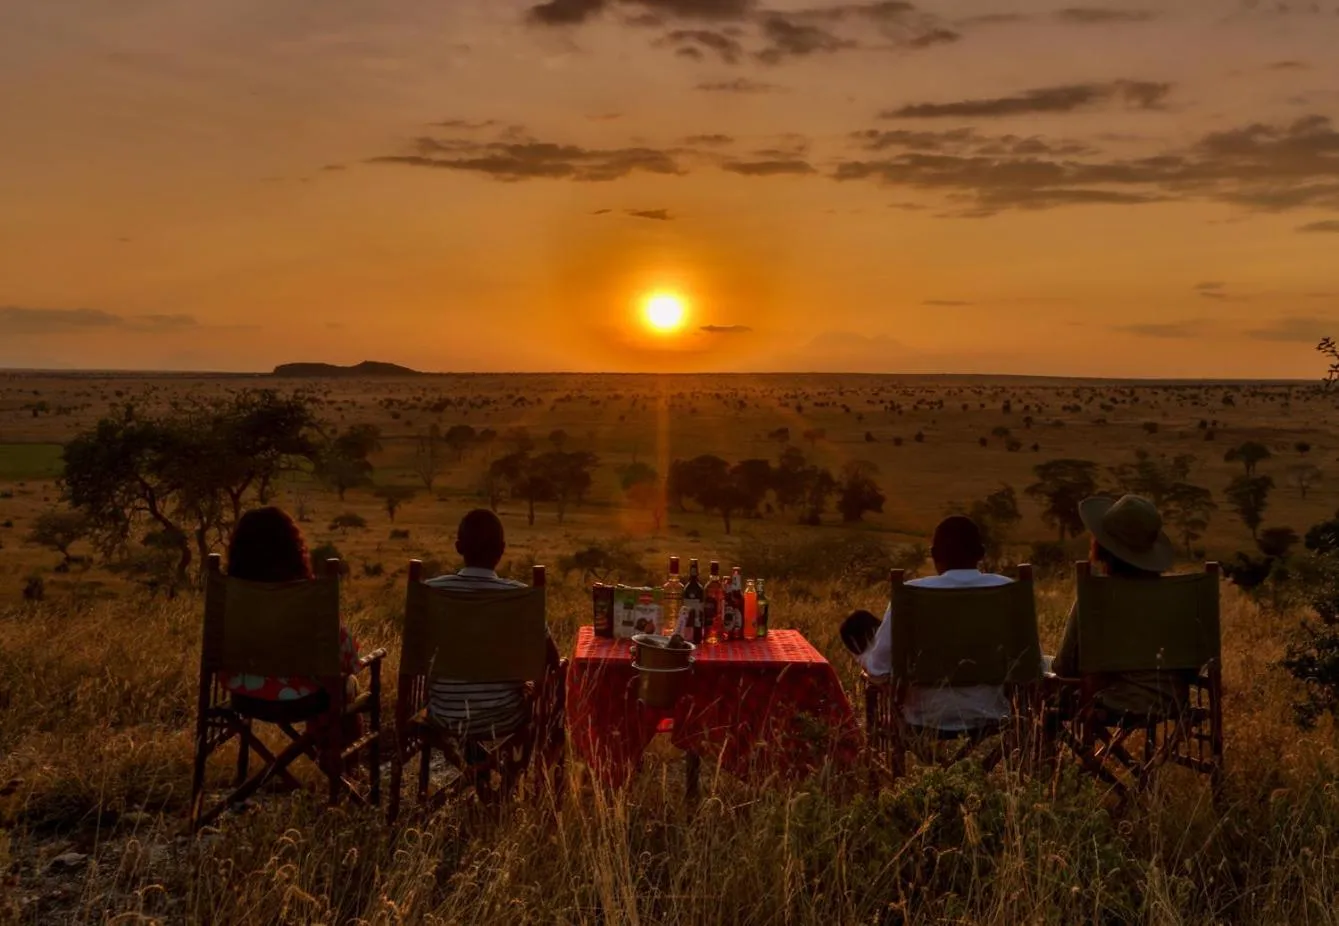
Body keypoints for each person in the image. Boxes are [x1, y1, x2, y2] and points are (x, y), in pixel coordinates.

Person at [841, 515, 1013, 731]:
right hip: (993, 710)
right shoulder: (1009, 590)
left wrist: (864, 657)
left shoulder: (911, 594)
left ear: (933, 554)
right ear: (981, 553)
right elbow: (1026, 662)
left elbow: (878, 669)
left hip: (924, 714)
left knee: (859, 629)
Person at [223, 507, 363, 761]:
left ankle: (294, 765)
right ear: (293, 550)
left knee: (329, 682)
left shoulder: (229, 596)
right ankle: (336, 763)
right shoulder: (310, 598)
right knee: (343, 684)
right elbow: (347, 658)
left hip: (243, 698)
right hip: (305, 702)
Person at [1052, 494, 1193, 717]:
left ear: (1101, 546)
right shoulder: (1182, 596)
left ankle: (1042, 749)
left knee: (1035, 676)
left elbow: (1064, 666)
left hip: (1110, 700)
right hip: (1172, 701)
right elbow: (1193, 667)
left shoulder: (1094, 596)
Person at [425, 509, 558, 740]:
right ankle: (490, 770)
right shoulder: (519, 597)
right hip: (504, 716)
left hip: (444, 715)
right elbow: (551, 659)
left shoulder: (431, 591)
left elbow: (418, 651)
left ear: (458, 547)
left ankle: (472, 767)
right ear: (502, 549)